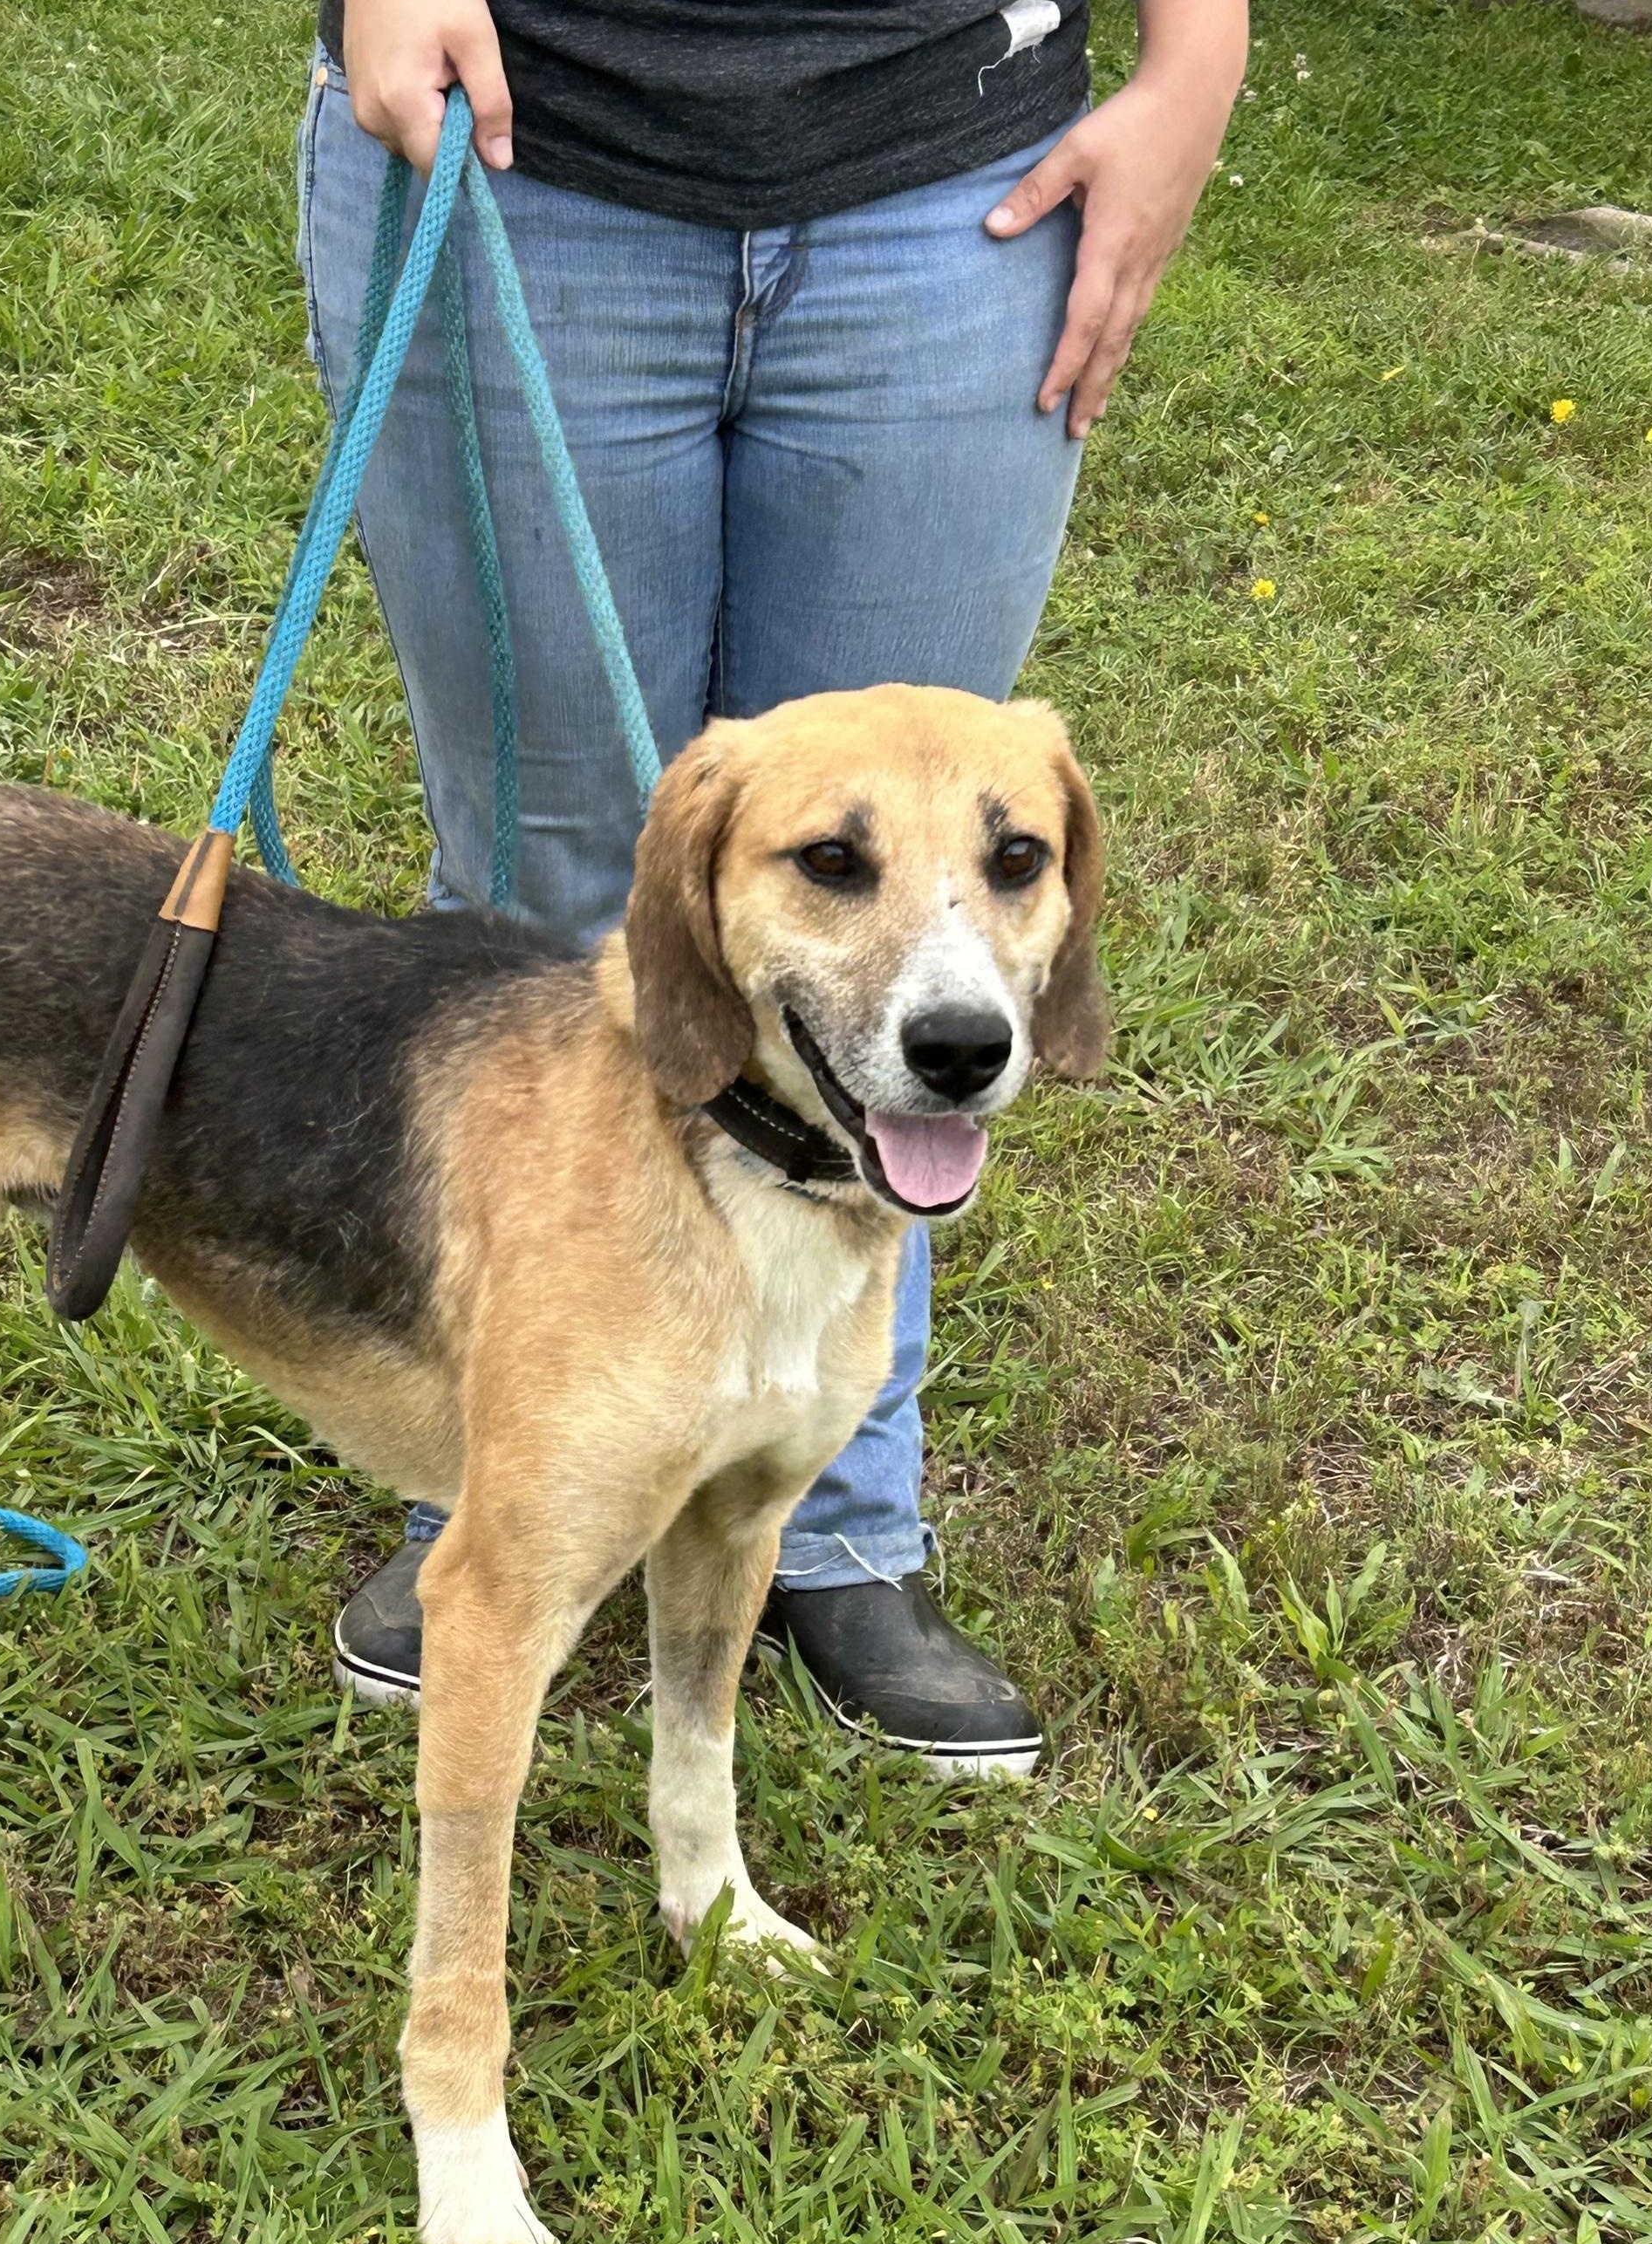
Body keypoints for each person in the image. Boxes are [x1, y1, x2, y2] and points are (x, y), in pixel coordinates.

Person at [307, 0, 1244, 1770]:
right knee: (555, 895)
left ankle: (825, 1509)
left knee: (912, 912)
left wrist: (1196, 65)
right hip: (527, 142)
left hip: (952, 182)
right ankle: (522, 1464)